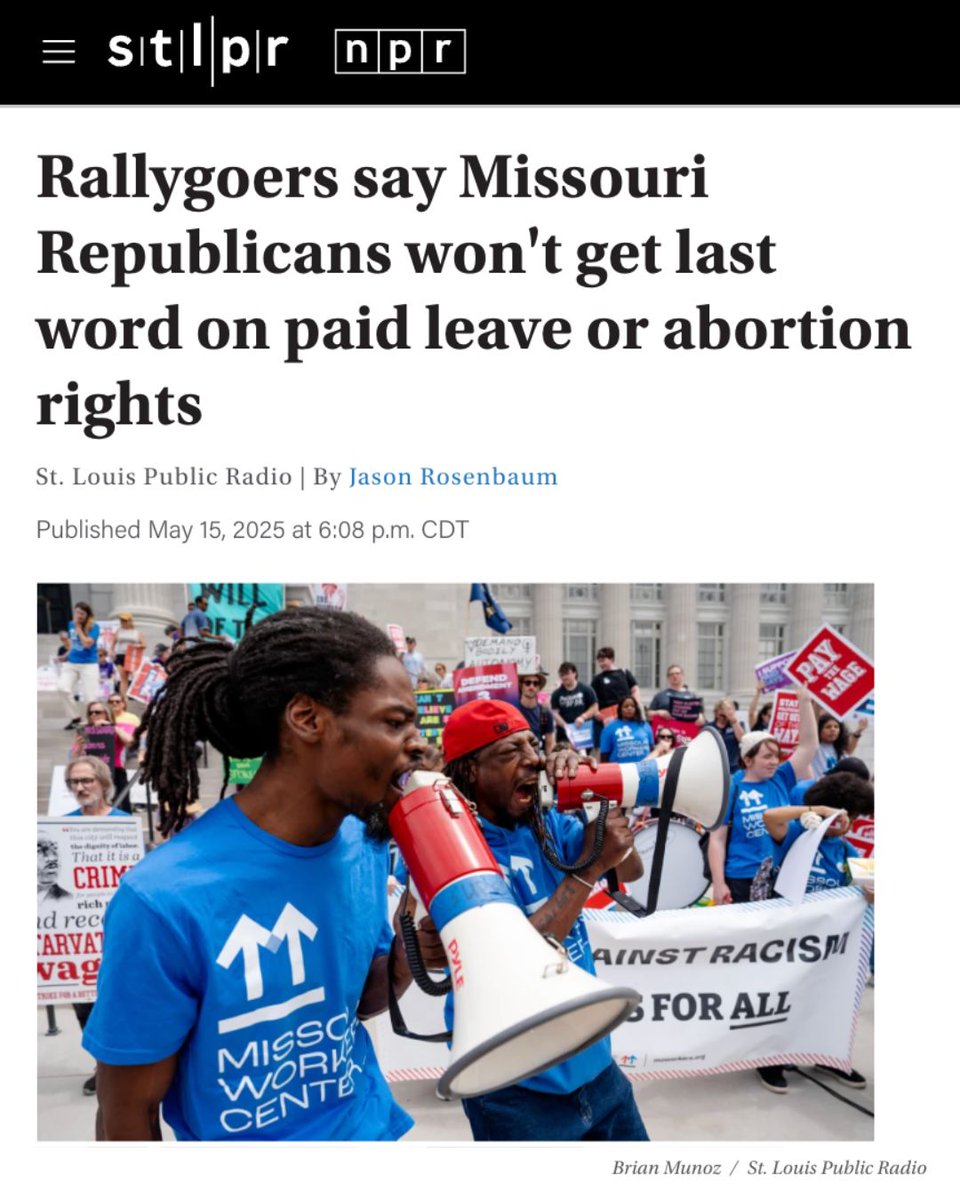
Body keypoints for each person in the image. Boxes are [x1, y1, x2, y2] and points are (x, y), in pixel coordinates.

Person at [82, 608, 441, 1141]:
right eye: (394, 723)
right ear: (307, 718)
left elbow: (354, 1004)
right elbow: (126, 1117)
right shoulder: (163, 899)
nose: (420, 745)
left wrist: (415, 956)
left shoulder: (362, 845)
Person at [440, 699, 649, 1141]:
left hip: (593, 1062)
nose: (534, 759)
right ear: (470, 770)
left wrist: (598, 804)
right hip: (519, 1087)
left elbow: (630, 871)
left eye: (533, 745)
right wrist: (589, 869)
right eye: (510, 751)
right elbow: (516, 961)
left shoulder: (545, 822)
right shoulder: (457, 850)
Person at [707, 688, 818, 1096]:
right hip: (739, 882)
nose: (775, 761)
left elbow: (808, 746)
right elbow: (716, 839)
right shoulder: (732, 787)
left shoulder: (784, 780)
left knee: (775, 963)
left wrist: (805, 701)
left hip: (781, 881)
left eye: (777, 754)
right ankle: (749, 1045)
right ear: (748, 759)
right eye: (767, 755)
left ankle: (772, 1048)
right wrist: (719, 884)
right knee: (748, 963)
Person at [763, 771, 874, 1089]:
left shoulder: (849, 851)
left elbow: (868, 888)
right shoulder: (799, 833)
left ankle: (828, 1056)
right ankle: (772, 1059)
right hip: (785, 939)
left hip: (825, 946)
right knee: (783, 1000)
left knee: (826, 1001)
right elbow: (770, 816)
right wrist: (813, 813)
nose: (846, 821)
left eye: (852, 816)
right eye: (841, 812)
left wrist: (870, 892)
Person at [63, 755, 128, 1095]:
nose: (80, 787)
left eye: (86, 780)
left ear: (103, 783)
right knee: (83, 1005)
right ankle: (100, 1064)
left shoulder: (124, 825)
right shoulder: (60, 828)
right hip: (77, 937)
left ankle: (116, 1066)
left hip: (115, 933)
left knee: (115, 1001)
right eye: (74, 782)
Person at [71, 699, 135, 810]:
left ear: (106, 714)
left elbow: (131, 742)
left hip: (115, 772)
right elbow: (75, 758)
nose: (94, 715)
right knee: (95, 807)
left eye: (98, 712)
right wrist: (79, 745)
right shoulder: (85, 731)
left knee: (121, 806)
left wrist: (112, 727)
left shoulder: (117, 728)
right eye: (91, 713)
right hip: (92, 774)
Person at [59, 602, 101, 729]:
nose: (78, 615)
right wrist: (66, 655)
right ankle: (75, 717)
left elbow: (87, 644)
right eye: (77, 612)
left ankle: (93, 723)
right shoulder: (71, 624)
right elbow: (74, 643)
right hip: (72, 663)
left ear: (88, 615)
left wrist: (78, 629)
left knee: (90, 697)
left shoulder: (94, 627)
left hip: (89, 664)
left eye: (82, 613)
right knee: (62, 688)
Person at [590, 648, 642, 747]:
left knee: (627, 738)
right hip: (607, 716)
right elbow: (592, 698)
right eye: (599, 661)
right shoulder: (597, 679)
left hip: (625, 712)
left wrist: (636, 704)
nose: (601, 664)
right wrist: (596, 712)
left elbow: (635, 689)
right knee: (610, 740)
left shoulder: (624, 672)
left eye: (603, 660)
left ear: (611, 659)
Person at [550, 662, 599, 748]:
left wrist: (583, 717)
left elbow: (594, 707)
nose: (564, 677)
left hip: (583, 732)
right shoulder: (556, 694)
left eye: (567, 674)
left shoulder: (586, 689)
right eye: (562, 675)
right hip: (564, 735)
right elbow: (554, 713)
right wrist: (565, 726)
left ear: (574, 673)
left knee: (583, 757)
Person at [811, 712, 870, 779]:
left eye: (836, 727)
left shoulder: (841, 749)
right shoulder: (814, 747)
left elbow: (849, 749)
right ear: (819, 730)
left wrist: (858, 731)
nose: (833, 729)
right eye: (828, 727)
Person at [599, 696, 656, 763]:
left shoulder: (645, 725)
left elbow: (652, 749)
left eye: (632, 706)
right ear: (620, 709)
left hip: (643, 769)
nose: (629, 708)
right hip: (620, 770)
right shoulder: (609, 728)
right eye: (626, 706)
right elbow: (604, 755)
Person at [704, 697, 745, 772]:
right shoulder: (708, 727)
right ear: (716, 712)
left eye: (728, 710)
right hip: (713, 767)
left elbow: (742, 739)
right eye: (721, 710)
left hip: (733, 767)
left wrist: (733, 721)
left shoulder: (738, 725)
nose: (724, 714)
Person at [113, 611, 146, 704]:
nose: (123, 622)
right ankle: (123, 698)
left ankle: (136, 696)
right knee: (123, 678)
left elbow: (143, 645)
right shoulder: (118, 631)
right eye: (122, 620)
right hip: (120, 655)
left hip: (132, 656)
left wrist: (135, 646)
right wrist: (112, 653)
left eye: (125, 620)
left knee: (134, 676)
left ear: (130, 621)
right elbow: (113, 644)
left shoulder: (137, 632)